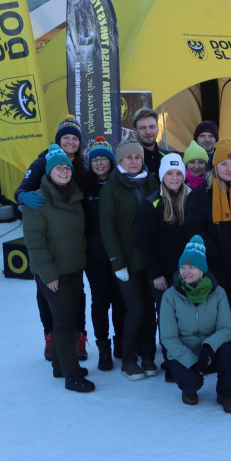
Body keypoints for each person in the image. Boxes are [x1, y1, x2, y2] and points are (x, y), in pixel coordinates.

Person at [15, 115, 88, 362]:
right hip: (50, 235)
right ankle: (51, 337)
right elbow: (21, 189)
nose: (70, 142)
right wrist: (23, 197)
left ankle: (78, 336)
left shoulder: (82, 164)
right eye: (65, 137)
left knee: (77, 294)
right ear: (58, 140)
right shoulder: (44, 160)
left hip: (75, 239)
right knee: (48, 293)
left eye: (74, 138)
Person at [21, 145, 93, 393]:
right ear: (49, 171)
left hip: (73, 268)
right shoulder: (37, 200)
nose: (63, 171)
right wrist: (48, 274)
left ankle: (60, 366)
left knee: (70, 317)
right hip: (52, 272)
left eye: (67, 167)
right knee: (63, 320)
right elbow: (35, 242)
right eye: (58, 167)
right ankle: (72, 375)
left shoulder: (73, 195)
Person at [184, 139, 231, 378]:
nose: (229, 168)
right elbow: (194, 229)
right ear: (215, 166)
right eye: (224, 163)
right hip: (216, 265)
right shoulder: (201, 195)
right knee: (220, 316)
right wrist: (214, 252)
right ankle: (226, 358)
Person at [158, 236, 231, 413]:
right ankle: (189, 388)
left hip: (208, 348)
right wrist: (191, 362)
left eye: (191, 267)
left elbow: (227, 328)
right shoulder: (170, 297)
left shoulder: (218, 293)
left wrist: (210, 346)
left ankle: (225, 395)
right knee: (192, 382)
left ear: (202, 269)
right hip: (181, 350)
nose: (186, 272)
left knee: (229, 353)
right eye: (182, 267)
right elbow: (168, 337)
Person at [100, 138, 158, 380]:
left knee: (149, 310)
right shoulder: (111, 187)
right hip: (126, 261)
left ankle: (148, 356)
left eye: (137, 157)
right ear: (120, 161)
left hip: (149, 259)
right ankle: (128, 359)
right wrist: (117, 262)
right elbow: (107, 227)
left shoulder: (151, 181)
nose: (134, 162)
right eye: (128, 158)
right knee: (135, 309)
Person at [135, 153, 190, 379]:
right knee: (168, 319)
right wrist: (156, 274)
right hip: (162, 275)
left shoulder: (192, 199)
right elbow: (144, 243)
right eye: (170, 173)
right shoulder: (152, 204)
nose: (174, 178)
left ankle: (188, 359)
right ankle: (171, 362)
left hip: (188, 273)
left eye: (178, 173)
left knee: (187, 319)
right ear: (162, 176)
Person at [78, 137, 124, 371]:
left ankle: (120, 342)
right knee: (100, 302)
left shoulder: (119, 182)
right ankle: (103, 346)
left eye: (102, 159)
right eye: (94, 159)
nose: (98, 163)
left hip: (118, 253)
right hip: (95, 256)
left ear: (110, 161)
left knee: (120, 300)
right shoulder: (84, 185)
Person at [132, 108, 169, 177]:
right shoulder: (130, 161)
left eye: (152, 127)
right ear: (135, 132)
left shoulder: (168, 157)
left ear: (157, 129)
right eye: (143, 128)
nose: (148, 132)